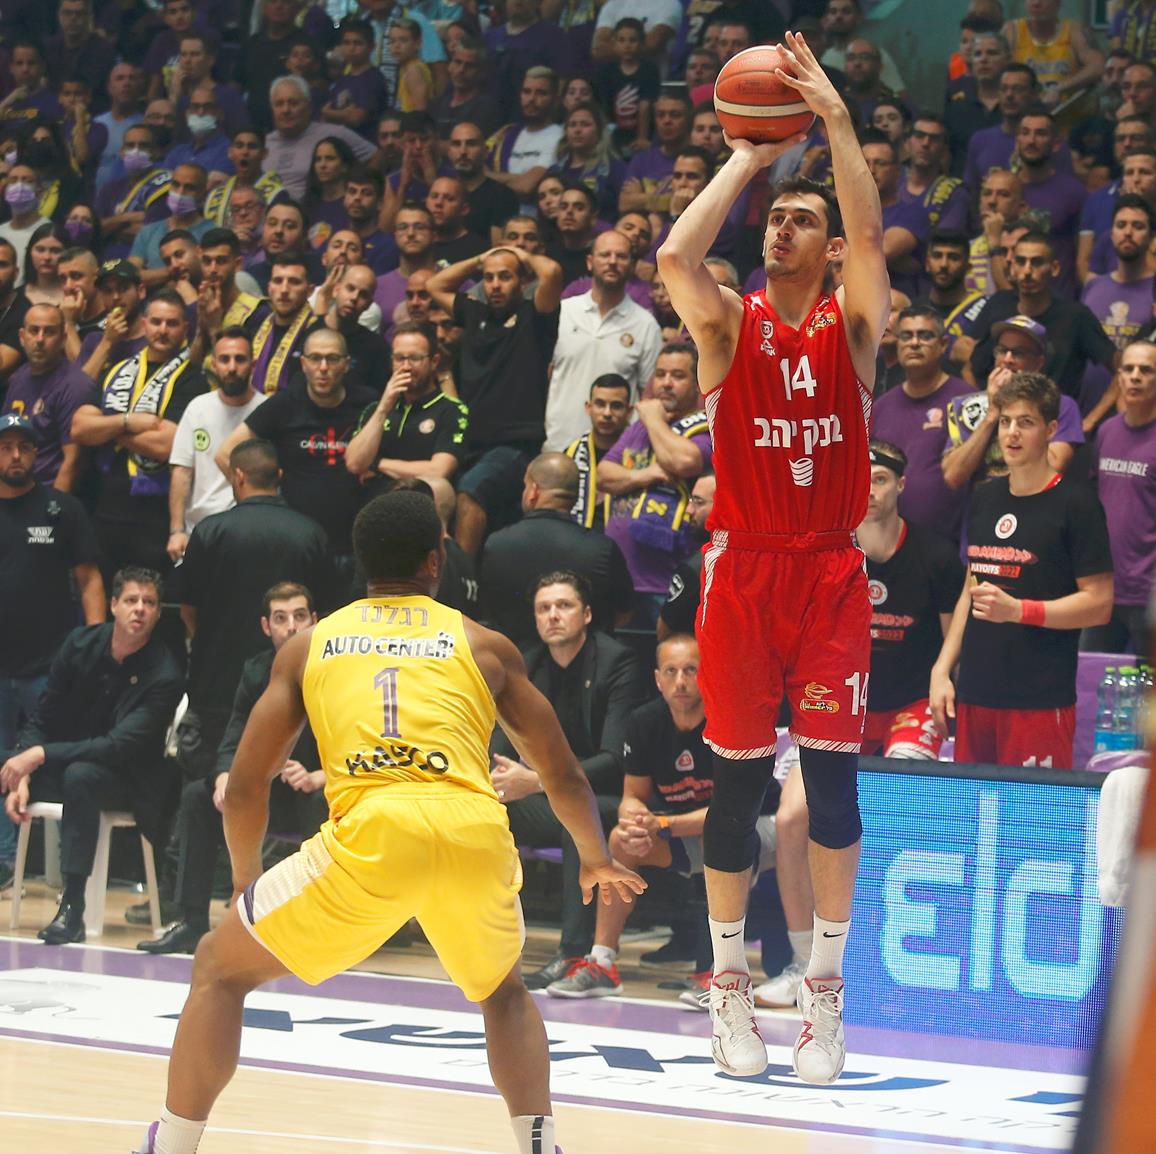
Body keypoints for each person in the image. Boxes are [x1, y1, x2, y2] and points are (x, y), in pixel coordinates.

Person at [131, 488, 644, 1154]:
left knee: (217, 969)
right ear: (436, 561)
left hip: (371, 837)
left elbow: (250, 783)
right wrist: (595, 857)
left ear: (358, 563)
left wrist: (244, 880)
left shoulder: (308, 648)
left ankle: (170, 1144)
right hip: (473, 833)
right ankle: (541, 1147)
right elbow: (565, 774)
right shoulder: (484, 645)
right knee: (504, 993)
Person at [656, 31, 890, 1084]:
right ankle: (728, 987)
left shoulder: (853, 327)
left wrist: (833, 119)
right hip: (744, 570)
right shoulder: (726, 327)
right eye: (776, 218)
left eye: (805, 219)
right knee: (738, 790)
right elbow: (675, 259)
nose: (784, 227)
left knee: (833, 792)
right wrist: (747, 157)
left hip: (829, 573)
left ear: (829, 248)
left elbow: (870, 233)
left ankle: (825, 996)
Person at [931, 372, 1114, 770]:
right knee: (971, 807)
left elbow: (1099, 604)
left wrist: (1018, 610)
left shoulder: (1077, 505)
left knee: (1032, 811)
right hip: (976, 692)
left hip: (1038, 698)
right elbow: (970, 590)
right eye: (1005, 421)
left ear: (1051, 429)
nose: (1012, 432)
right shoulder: (985, 496)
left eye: (1025, 422)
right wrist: (942, 669)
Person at [1, 566, 184, 944]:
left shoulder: (164, 674)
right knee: (14, 765)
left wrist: (38, 755)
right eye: (131, 600)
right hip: (67, 763)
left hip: (130, 779)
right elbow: (43, 717)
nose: (140, 609)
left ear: (157, 613)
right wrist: (24, 773)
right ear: (113, 605)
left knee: (81, 776)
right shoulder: (79, 644)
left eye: (149, 603)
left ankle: (73, 908)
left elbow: (116, 746)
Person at [140, 583, 325, 955]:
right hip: (266, 792)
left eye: (299, 616)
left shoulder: (333, 670)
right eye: (280, 618)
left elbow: (357, 741)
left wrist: (319, 775)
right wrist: (224, 775)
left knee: (322, 802)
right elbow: (234, 733)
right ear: (265, 626)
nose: (291, 626)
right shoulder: (256, 671)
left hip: (315, 789)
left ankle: (320, 930)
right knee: (198, 796)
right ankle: (192, 921)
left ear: (314, 621)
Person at [491, 570, 646, 990]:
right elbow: (500, 742)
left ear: (587, 614)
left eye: (564, 606)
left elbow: (614, 761)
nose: (553, 616)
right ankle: (484, 943)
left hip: (611, 798)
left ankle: (574, 954)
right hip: (548, 794)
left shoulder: (617, 662)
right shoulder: (526, 666)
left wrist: (538, 781)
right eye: (544, 608)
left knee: (576, 818)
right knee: (483, 814)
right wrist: (495, 781)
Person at [546, 632, 714, 1000]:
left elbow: (733, 812)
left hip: (753, 833)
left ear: (707, 674)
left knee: (720, 841)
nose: (680, 681)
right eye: (670, 671)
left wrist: (664, 825)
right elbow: (632, 797)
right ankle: (602, 963)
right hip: (682, 832)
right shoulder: (645, 721)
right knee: (621, 840)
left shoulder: (726, 720)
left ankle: (720, 974)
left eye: (690, 670)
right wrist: (635, 821)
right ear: (657, 679)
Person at [178, 436, 331, 775]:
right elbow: (325, 618)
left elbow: (188, 609)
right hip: (293, 692)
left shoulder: (209, 531)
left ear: (238, 476)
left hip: (217, 685)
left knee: (211, 790)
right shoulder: (312, 534)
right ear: (279, 476)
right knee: (285, 789)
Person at [0, 413, 104, 886]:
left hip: (51, 665)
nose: (15, 455)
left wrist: (97, 643)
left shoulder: (61, 509)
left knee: (56, 760)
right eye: (6, 447)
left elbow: (89, 578)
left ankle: (67, 870)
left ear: (36, 454)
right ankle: (4, 862)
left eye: (24, 446)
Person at [427, 244, 563, 556]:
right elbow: (435, 285)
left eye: (505, 276)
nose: (495, 285)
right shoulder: (474, 313)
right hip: (471, 443)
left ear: (523, 281)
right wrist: (480, 258)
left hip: (516, 445)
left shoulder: (535, 316)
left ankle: (461, 578)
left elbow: (552, 272)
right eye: (488, 278)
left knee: (470, 491)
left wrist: (519, 253)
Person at [71, 288, 208, 579]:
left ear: (185, 328)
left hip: (156, 511)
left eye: (172, 323)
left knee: (149, 596)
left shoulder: (193, 379)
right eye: (156, 322)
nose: (163, 330)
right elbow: (80, 427)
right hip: (106, 503)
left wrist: (107, 429)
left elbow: (167, 444)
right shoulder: (117, 371)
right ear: (144, 324)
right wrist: (129, 422)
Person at [216, 327, 374, 577]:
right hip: (297, 543)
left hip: (357, 544)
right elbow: (225, 454)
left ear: (346, 364)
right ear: (303, 364)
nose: (323, 367)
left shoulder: (367, 403)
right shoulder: (285, 404)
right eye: (315, 358)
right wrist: (261, 505)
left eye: (332, 359)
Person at [596, 343, 712, 625]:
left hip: (669, 580)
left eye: (677, 376)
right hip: (622, 578)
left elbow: (683, 461)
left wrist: (652, 418)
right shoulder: (639, 428)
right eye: (660, 375)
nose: (666, 383)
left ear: (697, 384)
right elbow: (603, 475)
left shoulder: (706, 427)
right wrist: (645, 474)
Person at [479, 452, 634, 648]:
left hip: (514, 661)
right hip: (586, 663)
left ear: (533, 490)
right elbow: (623, 613)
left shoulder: (496, 544)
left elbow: (486, 611)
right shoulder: (602, 549)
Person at [545, 229, 661, 451]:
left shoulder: (646, 325)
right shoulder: (562, 313)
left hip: (616, 452)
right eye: (605, 255)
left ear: (632, 265)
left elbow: (648, 396)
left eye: (621, 256)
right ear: (590, 262)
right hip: (558, 443)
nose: (612, 262)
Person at [944, 314, 1086, 493]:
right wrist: (992, 415)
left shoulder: (1060, 405)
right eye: (1002, 350)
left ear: (1038, 363)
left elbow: (1053, 467)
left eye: (1019, 353)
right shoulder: (969, 406)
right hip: (981, 507)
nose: (1008, 359)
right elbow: (953, 476)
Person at [870, 306, 973, 540]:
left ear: (943, 345)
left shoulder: (966, 401)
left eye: (925, 336)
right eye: (906, 336)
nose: (914, 343)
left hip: (951, 541)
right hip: (891, 543)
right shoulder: (881, 407)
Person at [167, 328, 267, 559]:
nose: (232, 367)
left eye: (239, 359)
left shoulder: (267, 409)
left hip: (251, 532)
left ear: (253, 364)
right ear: (213, 364)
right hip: (199, 531)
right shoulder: (197, 408)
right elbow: (182, 472)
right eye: (224, 359)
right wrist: (176, 531)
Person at [1085, 340, 1156, 656]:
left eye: (1146, 370)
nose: (1135, 376)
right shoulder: (1106, 432)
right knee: (1090, 677)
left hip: (1148, 593)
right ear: (1119, 378)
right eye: (1128, 369)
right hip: (1104, 588)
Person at [345, 320, 468, 493]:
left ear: (434, 361)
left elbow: (438, 471)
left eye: (415, 358)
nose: (406, 367)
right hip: (373, 503)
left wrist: (376, 463)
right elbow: (354, 463)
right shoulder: (375, 409)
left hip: (421, 503)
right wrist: (383, 409)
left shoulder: (453, 410)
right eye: (399, 358)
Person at [1, 303, 94, 491]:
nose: (40, 339)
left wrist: (54, 506)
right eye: (34, 331)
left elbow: (73, 461)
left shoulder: (75, 386)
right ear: (22, 337)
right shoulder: (18, 377)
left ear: (63, 339)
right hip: (14, 489)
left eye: (49, 332)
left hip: (47, 493)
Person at [563, 374, 634, 531]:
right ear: (588, 407)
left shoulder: (641, 453)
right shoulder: (571, 455)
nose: (607, 413)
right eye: (600, 404)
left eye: (616, 406)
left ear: (629, 411)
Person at [656, 472, 715, 640]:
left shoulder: (694, 570)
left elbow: (664, 632)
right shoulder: (758, 558)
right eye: (690, 500)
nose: (688, 510)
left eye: (698, 502)